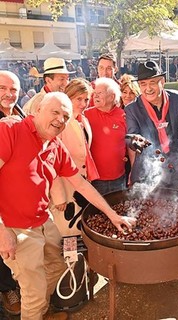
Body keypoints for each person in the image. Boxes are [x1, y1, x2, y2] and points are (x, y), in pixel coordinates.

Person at [0, 92, 136, 320]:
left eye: (65, 116)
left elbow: (81, 185)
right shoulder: (10, 131)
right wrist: (2, 230)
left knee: (56, 268)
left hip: (43, 220)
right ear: (38, 110)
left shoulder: (54, 146)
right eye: (55, 112)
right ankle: (34, 311)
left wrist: (113, 215)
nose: (60, 120)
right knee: (32, 290)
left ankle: (39, 313)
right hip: (15, 227)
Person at [125, 60, 178, 190]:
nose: (148, 88)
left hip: (174, 167)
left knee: (174, 205)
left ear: (162, 81)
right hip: (149, 170)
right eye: (143, 84)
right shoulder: (132, 109)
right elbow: (131, 136)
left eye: (152, 83)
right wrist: (134, 141)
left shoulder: (176, 98)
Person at [50, 79, 99, 236]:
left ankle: (78, 259)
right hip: (66, 187)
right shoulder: (60, 123)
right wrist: (58, 196)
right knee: (67, 229)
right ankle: (68, 261)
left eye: (86, 99)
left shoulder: (82, 120)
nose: (83, 103)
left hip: (82, 183)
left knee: (80, 227)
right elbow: (51, 162)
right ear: (68, 97)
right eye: (79, 99)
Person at [0, 70, 23, 316]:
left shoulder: (20, 113)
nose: (8, 94)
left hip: (20, 199)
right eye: (2, 88)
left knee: (18, 253)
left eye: (13, 89)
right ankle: (7, 290)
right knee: (4, 249)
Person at [85, 78, 127, 195]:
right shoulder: (86, 115)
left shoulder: (123, 116)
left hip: (119, 178)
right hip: (95, 179)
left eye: (100, 93)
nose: (95, 96)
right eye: (94, 94)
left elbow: (129, 144)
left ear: (112, 96)